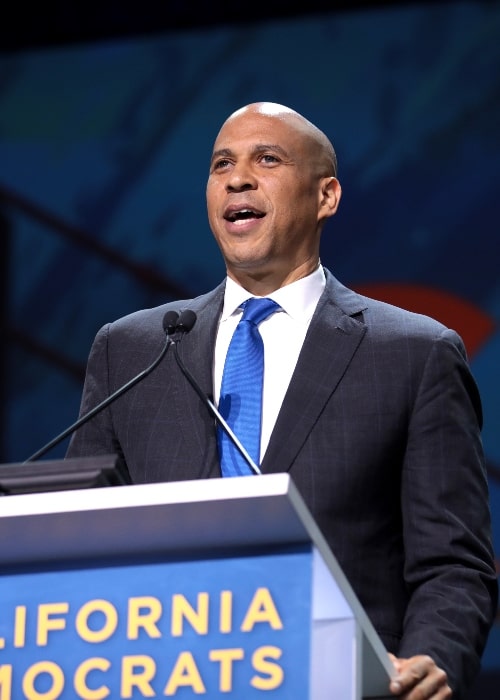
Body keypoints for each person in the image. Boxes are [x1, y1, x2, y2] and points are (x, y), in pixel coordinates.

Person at [67, 101, 498, 698]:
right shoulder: (132, 349)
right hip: (161, 678)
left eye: (266, 159)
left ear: (327, 197)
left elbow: (453, 562)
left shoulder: (413, 354)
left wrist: (433, 657)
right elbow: (77, 542)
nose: (237, 178)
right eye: (222, 165)